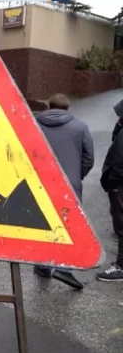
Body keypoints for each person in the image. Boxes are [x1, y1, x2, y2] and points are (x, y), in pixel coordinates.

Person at [33, 93, 93, 290]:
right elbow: (88, 158)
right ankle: (64, 268)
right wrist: (76, 175)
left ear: (49, 106)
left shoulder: (34, 124)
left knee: (43, 224)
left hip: (40, 183)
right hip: (70, 185)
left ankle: (43, 265)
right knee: (69, 226)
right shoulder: (80, 127)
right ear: (68, 108)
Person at [97, 98, 123, 282]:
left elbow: (119, 160)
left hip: (120, 184)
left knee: (122, 224)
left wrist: (112, 183)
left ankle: (121, 266)